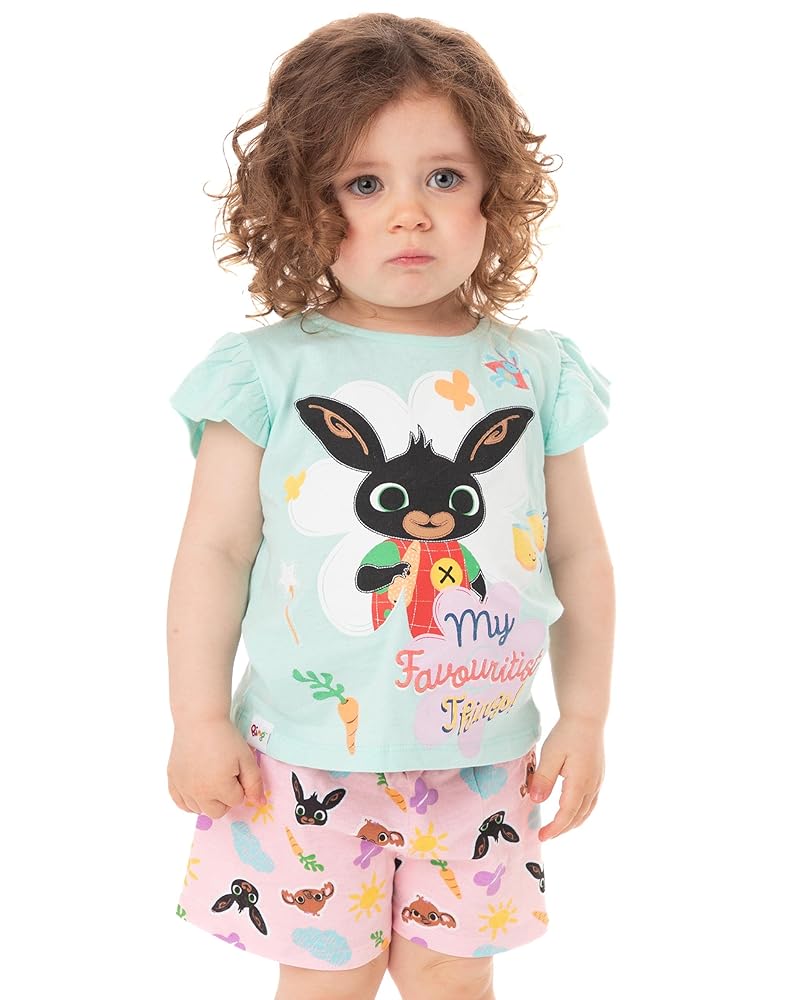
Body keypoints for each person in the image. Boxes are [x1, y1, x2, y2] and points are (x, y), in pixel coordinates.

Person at [167, 13, 614, 1000]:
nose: (409, 213)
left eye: (442, 177)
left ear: (495, 190)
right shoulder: (266, 375)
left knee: (453, 980)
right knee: (327, 984)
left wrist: (583, 714)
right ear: (302, 200)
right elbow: (215, 553)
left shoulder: (536, 375)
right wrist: (197, 718)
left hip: (485, 762)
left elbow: (578, 553)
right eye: (365, 184)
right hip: (300, 762)